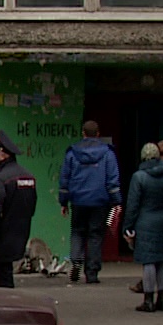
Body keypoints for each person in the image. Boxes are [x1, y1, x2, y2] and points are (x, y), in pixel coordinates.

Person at [59, 120, 121, 284]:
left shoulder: (72, 153)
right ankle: (92, 272)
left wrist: (63, 201)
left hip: (78, 200)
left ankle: (76, 261)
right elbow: (112, 179)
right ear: (98, 134)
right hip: (100, 201)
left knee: (77, 231)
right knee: (95, 235)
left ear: (83, 133)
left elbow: (65, 178)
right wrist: (117, 202)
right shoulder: (108, 153)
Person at [122, 142, 163, 312]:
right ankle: (162, 299)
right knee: (161, 261)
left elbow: (133, 205)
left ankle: (148, 299)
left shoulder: (139, 177)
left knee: (149, 262)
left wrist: (127, 227)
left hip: (145, 222)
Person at [0, 133, 37, 288]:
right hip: (19, 233)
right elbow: (32, 206)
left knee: (0, 280)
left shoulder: (0, 178)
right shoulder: (28, 176)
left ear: (3, 154)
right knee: (6, 276)